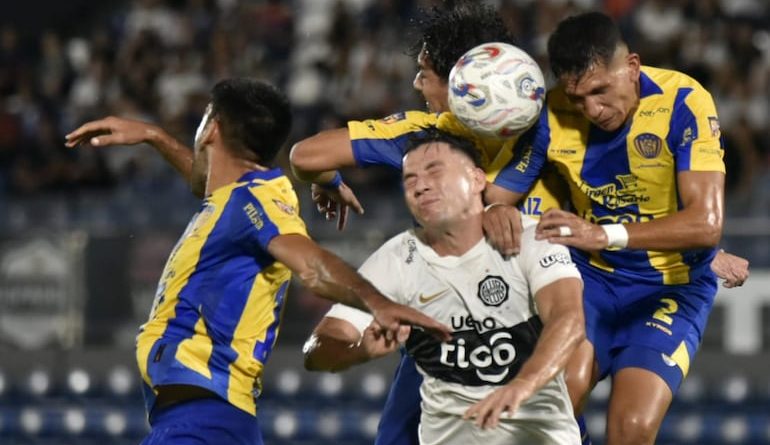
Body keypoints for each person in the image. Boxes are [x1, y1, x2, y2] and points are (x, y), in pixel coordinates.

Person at [290, 4, 748, 445]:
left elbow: (654, 208)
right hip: (460, 320)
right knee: (539, 405)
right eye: (580, 98)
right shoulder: (480, 130)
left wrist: (698, 248)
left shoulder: (530, 120)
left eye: (424, 72)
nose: (590, 110)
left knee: (601, 420)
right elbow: (510, 200)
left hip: (566, 301)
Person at [65, 78, 450, 445]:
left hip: (202, 422)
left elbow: (310, 264)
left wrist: (377, 303)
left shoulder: (257, 203)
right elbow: (204, 182)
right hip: (207, 419)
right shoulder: (235, 200)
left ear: (212, 128)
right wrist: (154, 136)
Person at [484, 12, 739, 444]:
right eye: (578, 98)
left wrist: (604, 234)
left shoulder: (683, 101)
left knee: (631, 428)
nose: (592, 110)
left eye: (600, 91)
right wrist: (493, 209)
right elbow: (495, 195)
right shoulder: (551, 113)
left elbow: (706, 224)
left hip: (671, 288)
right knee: (559, 396)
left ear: (632, 67)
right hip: (592, 279)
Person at [305, 126, 585, 445]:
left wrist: (524, 384)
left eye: (435, 172)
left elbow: (568, 318)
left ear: (477, 180)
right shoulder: (397, 260)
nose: (420, 186)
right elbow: (317, 349)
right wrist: (358, 352)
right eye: (410, 179)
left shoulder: (529, 237)